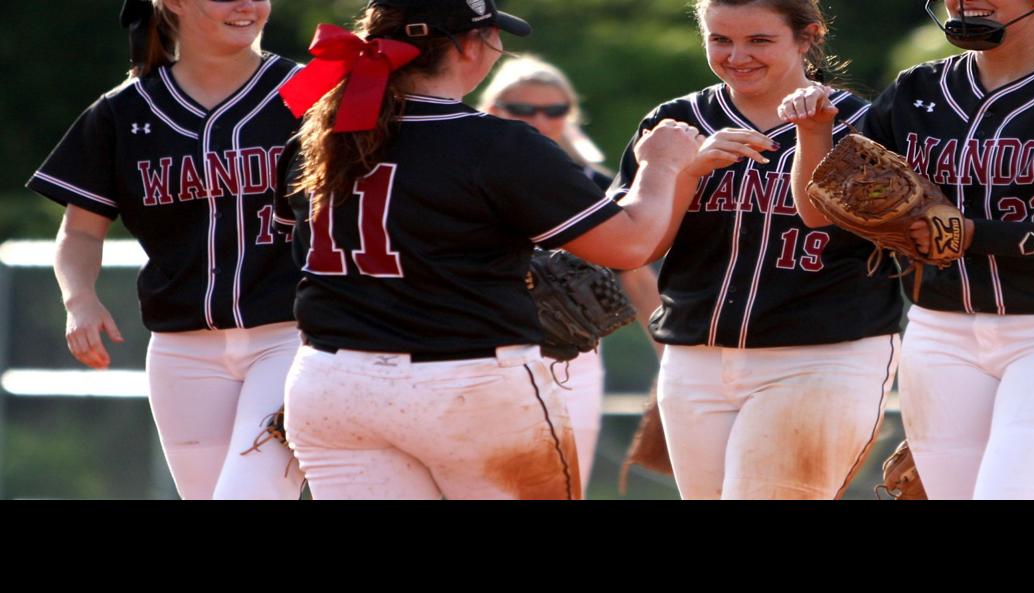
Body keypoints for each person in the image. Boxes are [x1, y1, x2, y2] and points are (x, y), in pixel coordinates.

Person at [270, 0, 701, 499]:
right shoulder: (494, 144)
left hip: (331, 383)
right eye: (493, 36)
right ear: (467, 46)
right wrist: (662, 164)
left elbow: (291, 249)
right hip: (467, 382)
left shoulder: (319, 134)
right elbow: (630, 244)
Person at [784, 0, 1034, 500]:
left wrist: (976, 234)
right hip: (941, 333)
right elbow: (819, 215)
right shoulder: (918, 89)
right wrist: (812, 133)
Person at [613, 0, 907, 500]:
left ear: (808, 36)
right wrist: (686, 170)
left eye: (759, 40)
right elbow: (638, 248)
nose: (737, 56)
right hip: (695, 357)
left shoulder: (864, 122)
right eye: (720, 39)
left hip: (821, 356)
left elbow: (834, 218)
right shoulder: (676, 122)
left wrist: (815, 136)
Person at [28, 0, 304, 500]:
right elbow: (81, 232)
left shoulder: (312, 92)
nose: (248, 5)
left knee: (250, 493)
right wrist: (79, 298)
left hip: (293, 337)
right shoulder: (123, 112)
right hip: (182, 351)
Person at [478, 56, 664, 495]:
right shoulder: (465, 176)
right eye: (523, 110)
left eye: (554, 110)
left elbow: (636, 276)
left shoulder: (594, 185)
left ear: (570, 115)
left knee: (565, 483)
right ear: (492, 110)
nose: (540, 120)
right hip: (480, 351)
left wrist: (671, 357)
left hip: (570, 356)